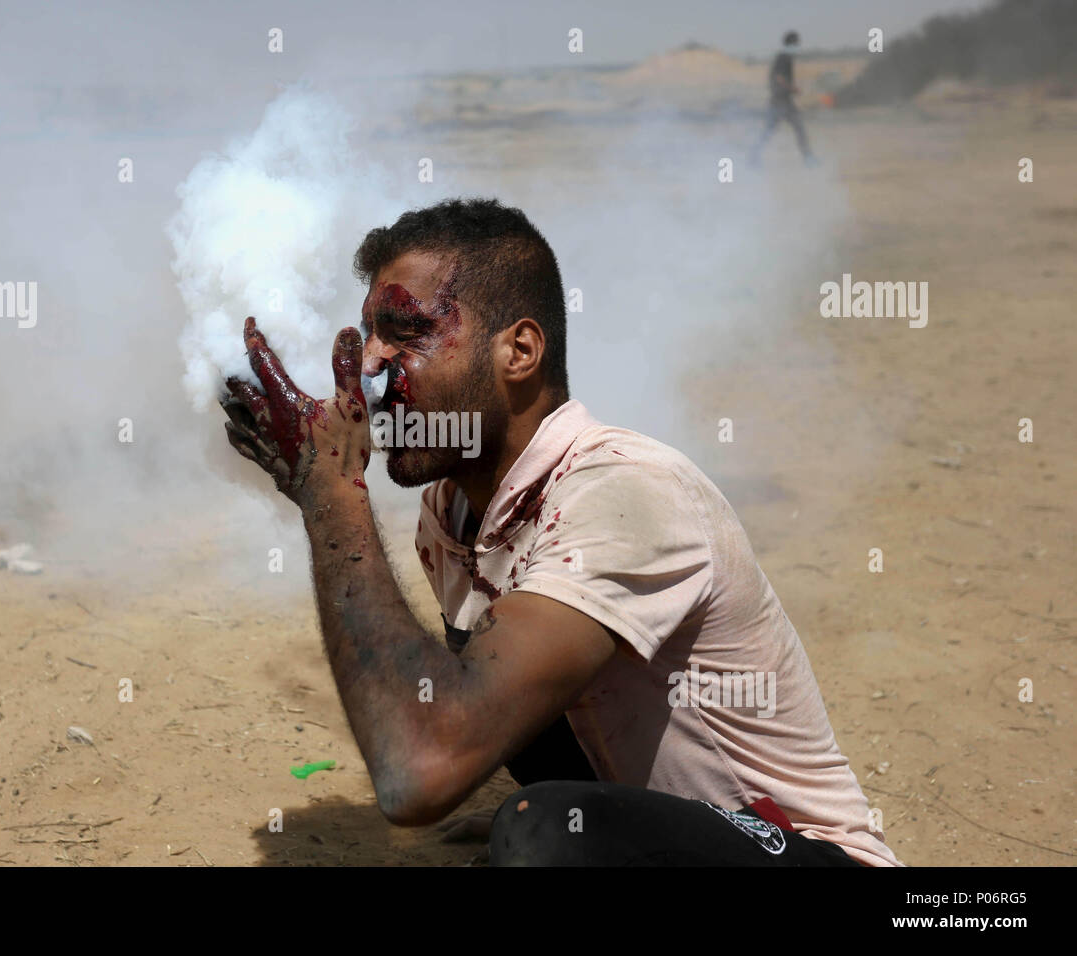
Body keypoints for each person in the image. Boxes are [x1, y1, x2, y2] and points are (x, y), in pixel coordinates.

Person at [220, 198, 899, 866]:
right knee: (514, 739)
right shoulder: (450, 517)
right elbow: (481, 716)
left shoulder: (626, 493)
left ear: (519, 351)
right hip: (693, 837)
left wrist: (333, 497)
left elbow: (419, 771)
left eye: (406, 332)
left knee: (541, 830)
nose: (370, 365)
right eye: (368, 335)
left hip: (812, 857)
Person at [750, 30, 817, 165]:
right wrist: (792, 88)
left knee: (781, 130)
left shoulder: (785, 57)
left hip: (782, 101)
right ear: (791, 43)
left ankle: (753, 157)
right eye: (797, 43)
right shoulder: (784, 57)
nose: (798, 46)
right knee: (795, 129)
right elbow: (779, 77)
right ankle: (808, 158)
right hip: (780, 102)